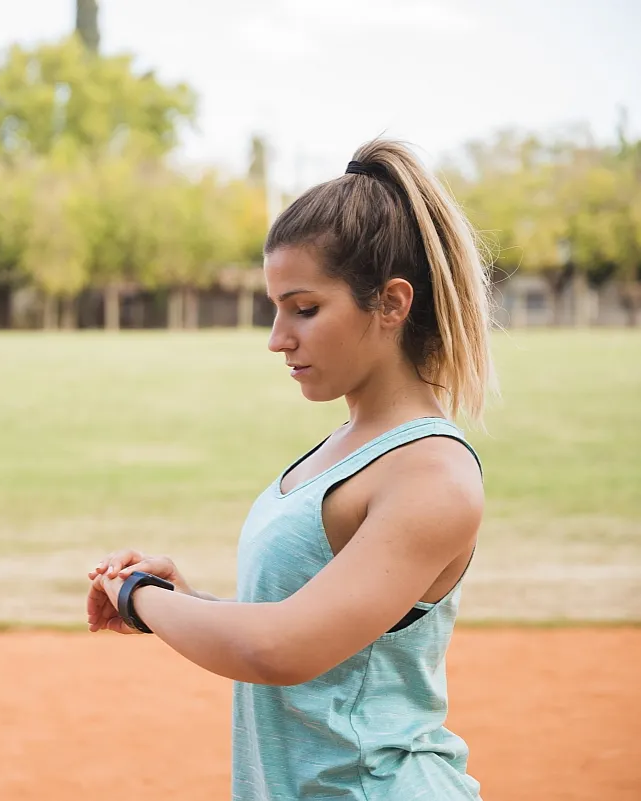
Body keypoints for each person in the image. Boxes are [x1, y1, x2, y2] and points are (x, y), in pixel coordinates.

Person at [86, 138, 495, 801]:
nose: (277, 337)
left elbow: (280, 649)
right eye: (275, 308)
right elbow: (304, 626)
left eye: (303, 308)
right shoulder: (346, 443)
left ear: (391, 304)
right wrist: (185, 602)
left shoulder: (430, 473)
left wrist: (140, 597)